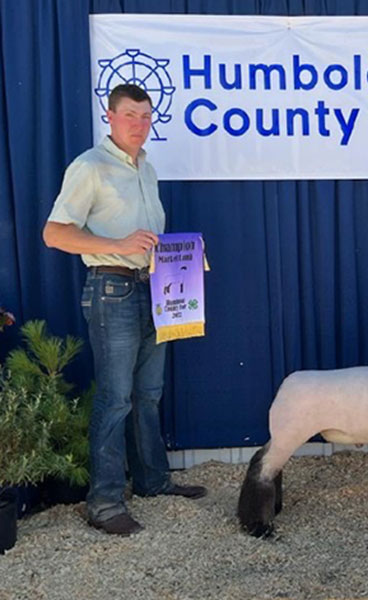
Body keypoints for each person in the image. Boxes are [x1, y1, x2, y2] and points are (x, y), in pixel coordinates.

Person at [43, 84, 206, 536]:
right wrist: (115, 244)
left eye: (146, 116)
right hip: (111, 288)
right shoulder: (89, 167)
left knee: (148, 393)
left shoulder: (146, 168)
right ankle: (105, 501)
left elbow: (148, 237)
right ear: (110, 117)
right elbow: (54, 233)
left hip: (155, 288)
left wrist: (185, 256)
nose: (140, 123)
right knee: (115, 399)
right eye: (131, 115)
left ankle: (153, 480)